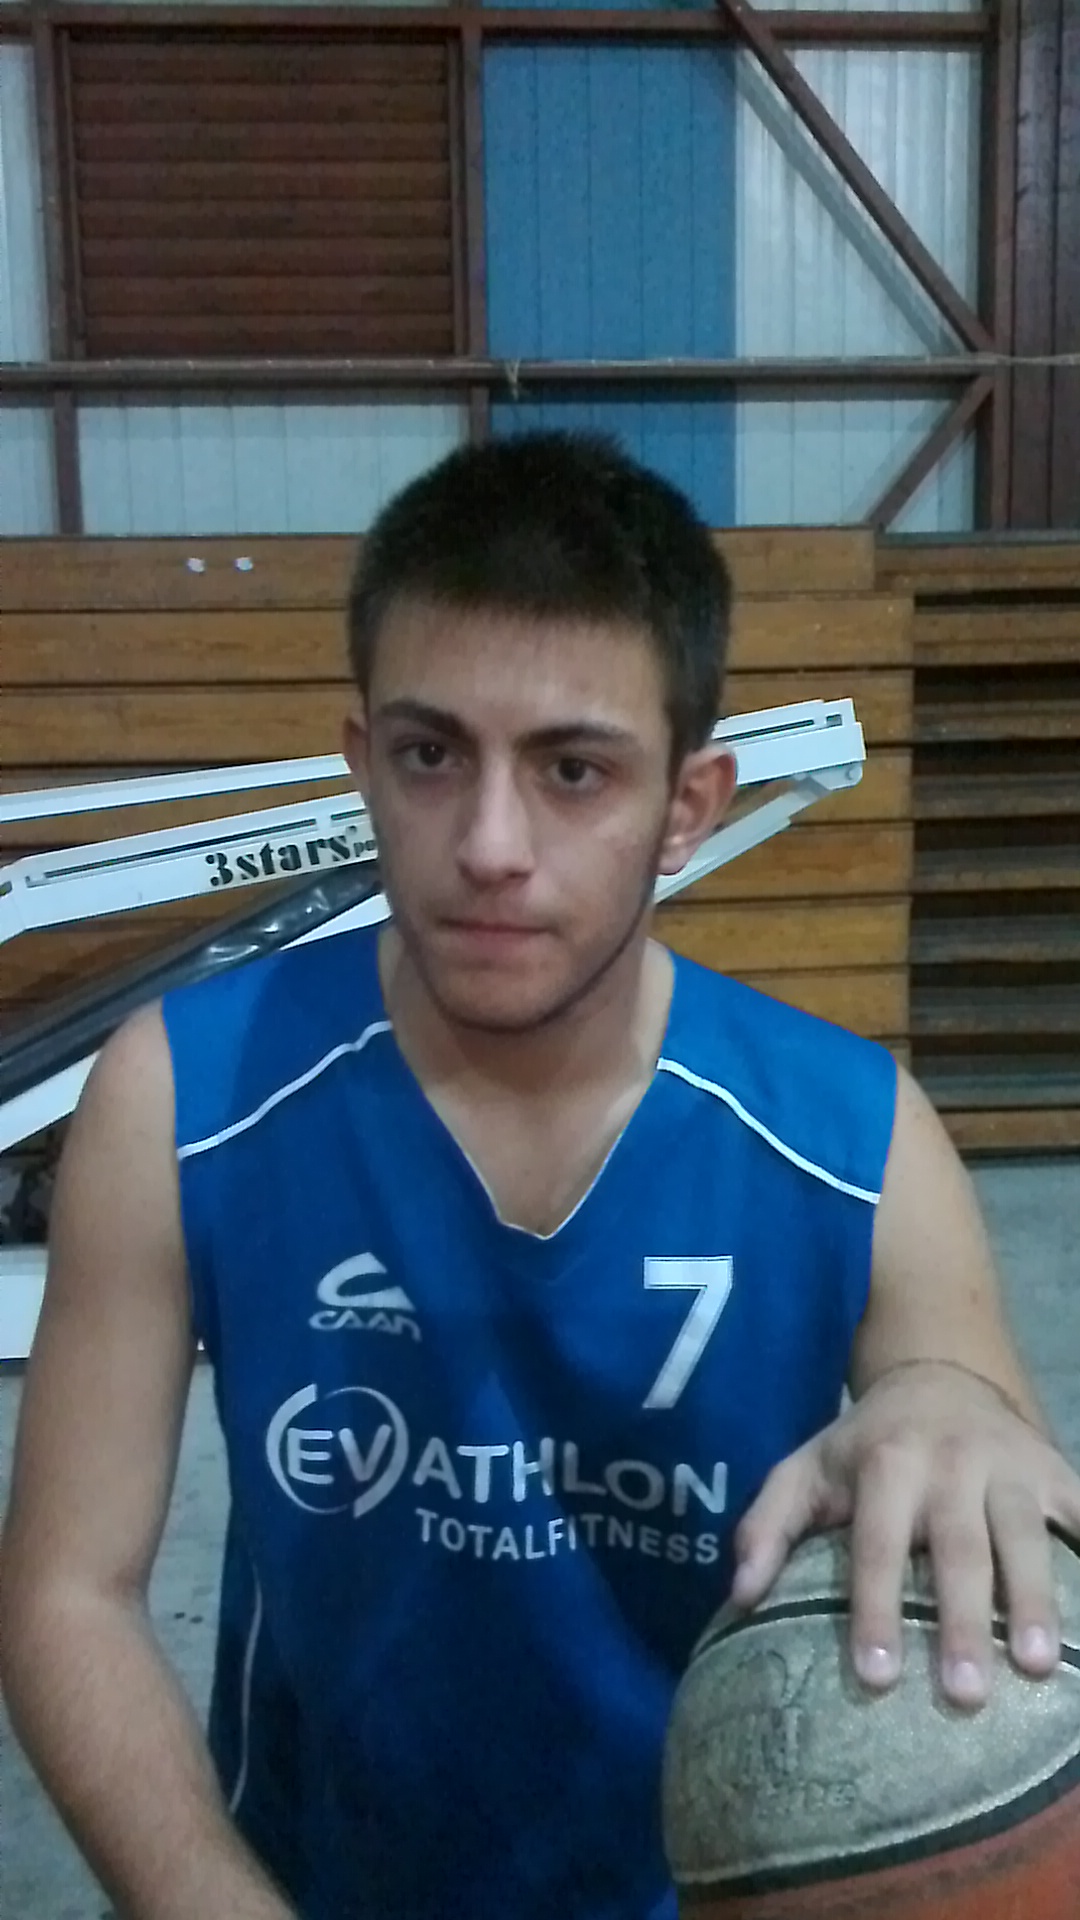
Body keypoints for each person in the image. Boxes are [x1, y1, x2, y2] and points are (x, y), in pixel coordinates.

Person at [2, 432, 1078, 1920]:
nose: (490, 845)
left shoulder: (849, 1132)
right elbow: (67, 1591)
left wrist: (948, 1405)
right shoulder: (185, 1092)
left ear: (688, 806)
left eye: (574, 770)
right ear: (362, 764)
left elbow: (978, 1462)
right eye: (431, 756)